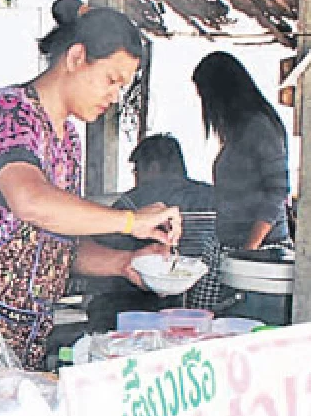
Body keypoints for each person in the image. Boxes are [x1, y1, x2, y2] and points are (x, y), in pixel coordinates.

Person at [0, 0, 182, 369]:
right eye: (111, 80)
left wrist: (126, 262)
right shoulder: (4, 114)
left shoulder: (67, 141)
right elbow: (31, 201)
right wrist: (133, 222)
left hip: (18, 341)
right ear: (76, 58)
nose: (114, 97)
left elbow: (56, 244)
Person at [86, 134, 222, 330]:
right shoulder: (214, 197)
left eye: (137, 170)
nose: (136, 178)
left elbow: (99, 241)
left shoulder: (135, 201)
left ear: (153, 167)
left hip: (146, 310)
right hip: (204, 311)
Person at [191, 51, 292, 250]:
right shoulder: (238, 132)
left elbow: (278, 191)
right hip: (234, 244)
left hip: (263, 249)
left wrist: (251, 246)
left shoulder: (259, 127)